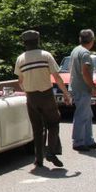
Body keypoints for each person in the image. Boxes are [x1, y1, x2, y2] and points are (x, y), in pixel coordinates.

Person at [14, 30, 71, 168]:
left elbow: (20, 80)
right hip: (46, 94)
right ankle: (51, 151)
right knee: (53, 122)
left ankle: (38, 159)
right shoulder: (46, 56)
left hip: (31, 97)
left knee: (37, 128)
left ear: (24, 43)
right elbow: (56, 77)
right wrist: (66, 93)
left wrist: (27, 90)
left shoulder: (20, 59)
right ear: (38, 41)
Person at [69, 28, 96, 151]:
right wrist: (92, 86)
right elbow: (85, 72)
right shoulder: (85, 54)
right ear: (92, 40)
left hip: (76, 86)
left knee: (88, 114)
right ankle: (78, 142)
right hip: (82, 88)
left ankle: (88, 140)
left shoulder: (76, 50)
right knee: (82, 115)